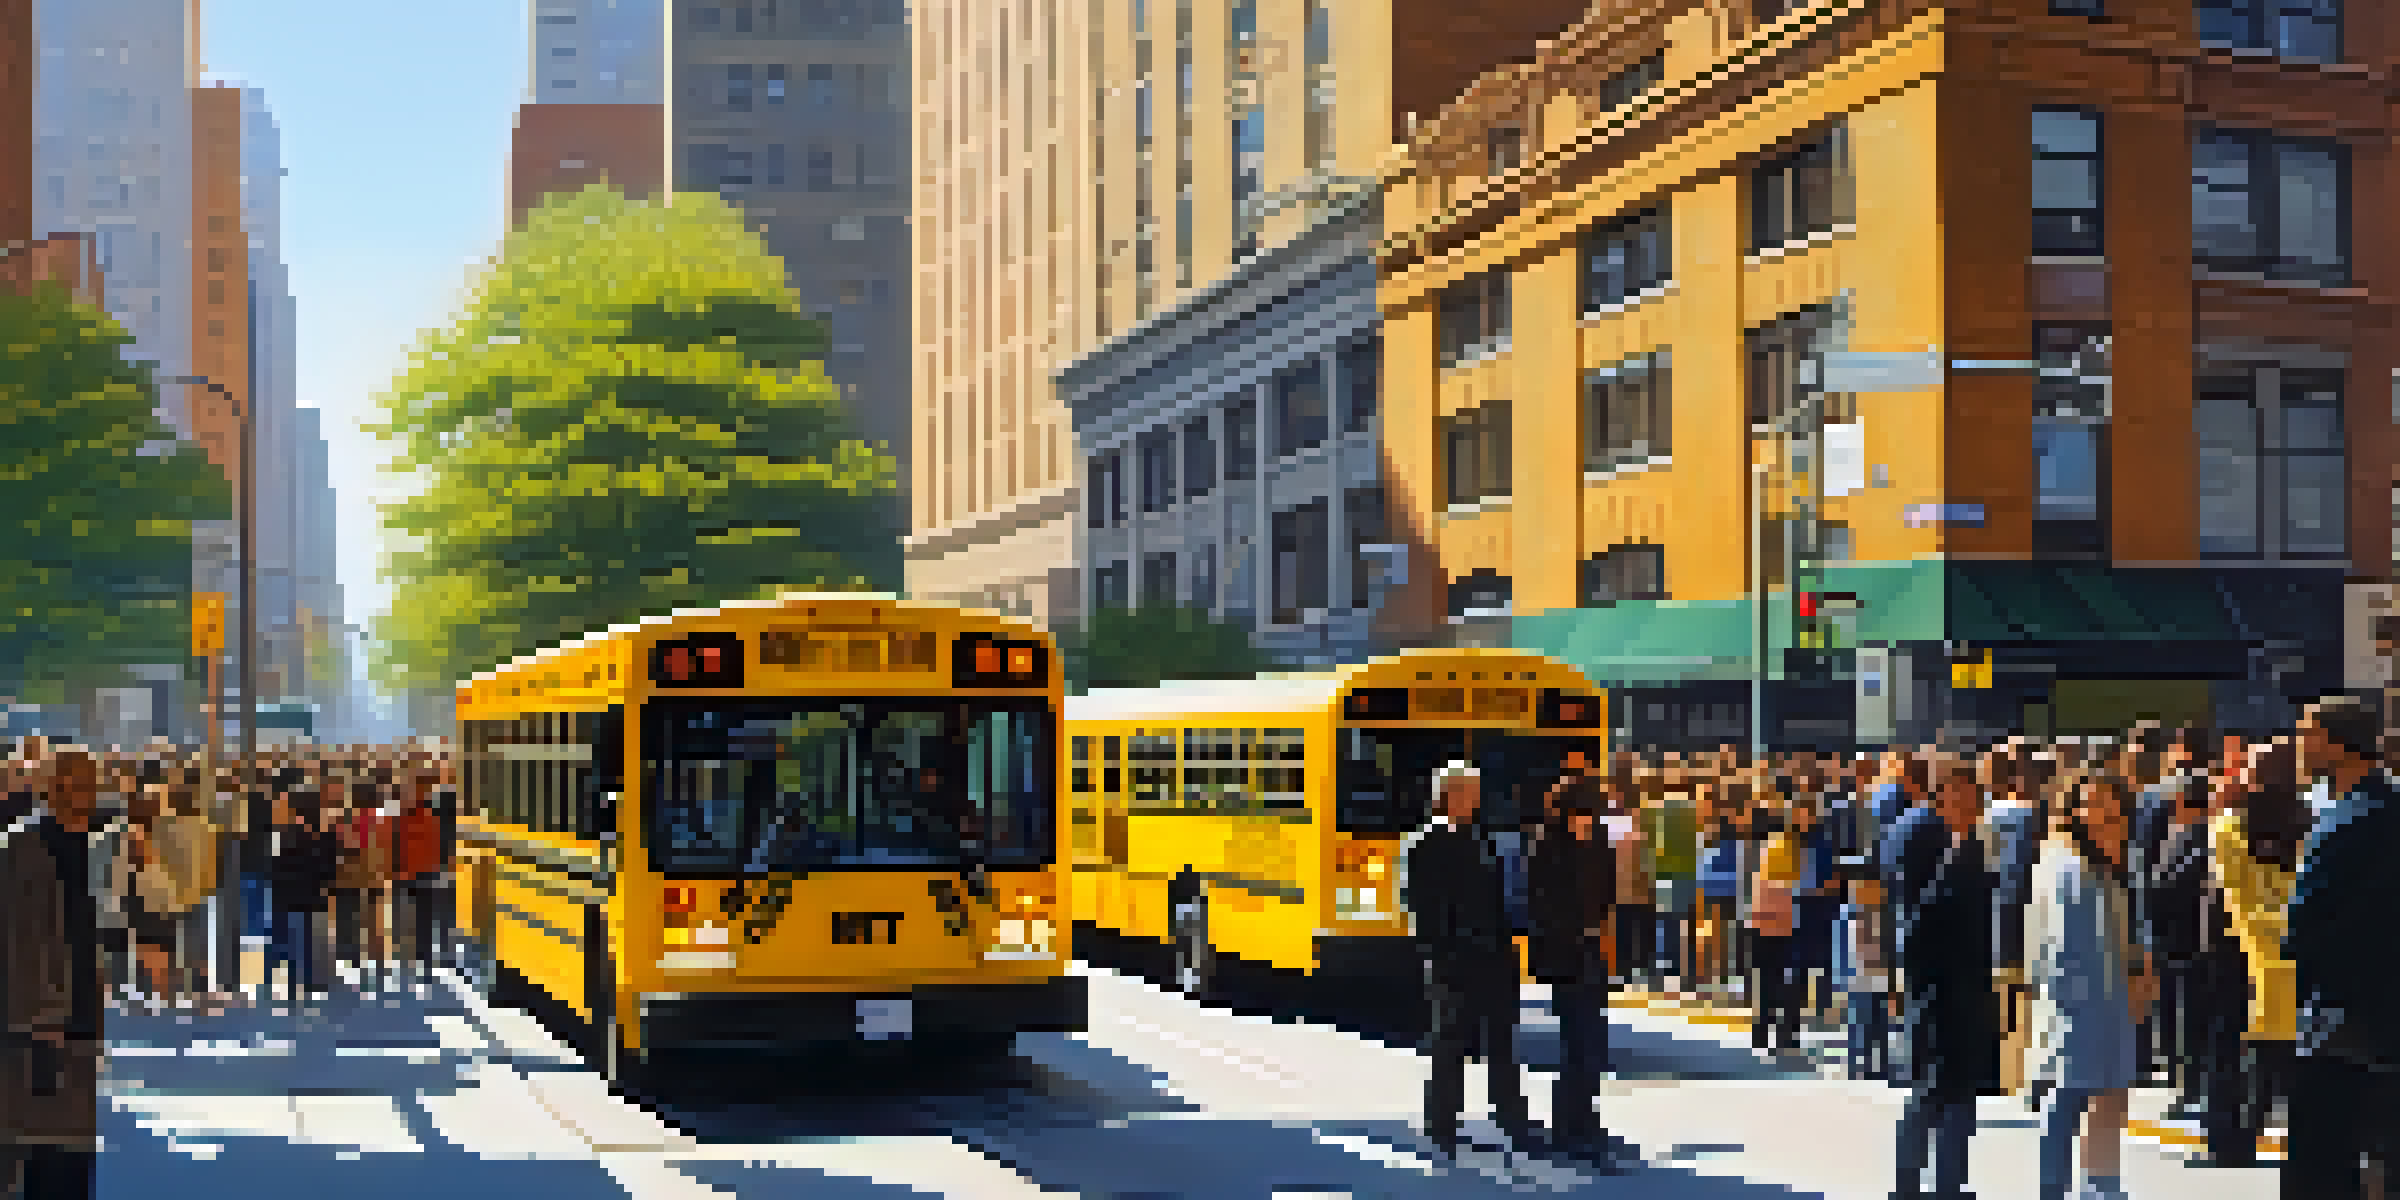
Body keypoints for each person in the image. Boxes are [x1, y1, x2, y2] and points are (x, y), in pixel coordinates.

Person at [2284, 695, 2400, 1198]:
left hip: (2342, 1006)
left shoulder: (2360, 816)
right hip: (2358, 1004)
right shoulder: (2364, 807)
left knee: (2323, 1153)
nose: (2298, 745)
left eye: (2307, 734)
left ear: (2336, 744)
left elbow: (2319, 918)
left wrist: (2296, 942)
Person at [2025, 769, 2149, 1200]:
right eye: (2091, 803)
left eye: (2110, 804)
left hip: (2117, 996)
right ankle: (2052, 1189)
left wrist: (2141, 972)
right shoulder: (2063, 859)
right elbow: (2050, 937)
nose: (2102, 812)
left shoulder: (2122, 859)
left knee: (2112, 1094)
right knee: (2068, 1097)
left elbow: (2137, 923)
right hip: (2076, 998)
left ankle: (2103, 1186)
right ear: (2073, 808)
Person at [1399, 762, 1533, 1162]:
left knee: (1503, 1043)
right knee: (1450, 1044)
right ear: (1449, 795)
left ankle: (1512, 1118)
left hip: (1494, 957)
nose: (1475, 800)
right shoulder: (1426, 842)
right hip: (1455, 962)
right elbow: (1425, 910)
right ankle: (1442, 1123)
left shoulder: (1480, 837)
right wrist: (1444, 957)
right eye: (1469, 792)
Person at [1882, 753, 2000, 1200]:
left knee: (1953, 1091)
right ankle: (1915, 1184)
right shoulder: (1929, 836)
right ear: (1945, 793)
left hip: (1963, 982)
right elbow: (1918, 917)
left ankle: (1946, 1181)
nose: (1975, 805)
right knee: (1934, 1090)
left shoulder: (1964, 839)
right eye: (1967, 795)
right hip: (1937, 983)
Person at [0, 746, 104, 1198]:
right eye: (73, 787)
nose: (82, 798)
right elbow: (20, 944)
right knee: (37, 1149)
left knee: (69, 1152)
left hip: (77, 1025)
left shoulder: (96, 847)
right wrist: (41, 1023)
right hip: (38, 1032)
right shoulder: (23, 849)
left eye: (88, 787)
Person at [2210, 738, 2304, 1169]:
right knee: (2285, 1063)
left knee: (2240, 1056)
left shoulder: (2232, 827)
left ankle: (2234, 1141)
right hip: (2301, 957)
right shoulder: (2314, 821)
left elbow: (2238, 899)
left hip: (2242, 954)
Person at [1526, 761, 1618, 1164]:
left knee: (1593, 1042)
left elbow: (1609, 887)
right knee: (1575, 1041)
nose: (1586, 822)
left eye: (1591, 815)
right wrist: (1578, 930)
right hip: (1564, 953)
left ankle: (1587, 1119)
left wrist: (1602, 928)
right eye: (1580, 815)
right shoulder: (1546, 842)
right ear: (1563, 812)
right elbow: (1540, 900)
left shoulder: (1597, 839)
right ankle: (1568, 1126)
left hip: (1593, 951)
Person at [1835, 860, 1892, 1080]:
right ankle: (1858, 1065)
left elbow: (1893, 949)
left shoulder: (1885, 917)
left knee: (1879, 1027)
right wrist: (1840, 981)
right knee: (1859, 1026)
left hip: (1880, 980)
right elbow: (1839, 950)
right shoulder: (1847, 916)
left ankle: (1881, 1066)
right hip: (1857, 982)